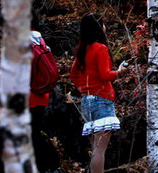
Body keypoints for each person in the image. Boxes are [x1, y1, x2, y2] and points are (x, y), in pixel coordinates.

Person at [70, 14, 128, 173]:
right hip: (101, 98)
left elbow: (73, 74)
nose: (105, 27)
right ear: (98, 27)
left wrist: (82, 89)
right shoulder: (100, 48)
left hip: (86, 102)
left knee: (95, 147)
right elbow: (105, 75)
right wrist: (119, 72)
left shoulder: (82, 49)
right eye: (103, 24)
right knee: (99, 149)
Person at [30, 20, 61, 173]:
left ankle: (51, 166)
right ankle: (52, 166)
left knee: (30, 136)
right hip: (41, 93)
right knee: (34, 133)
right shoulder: (38, 39)